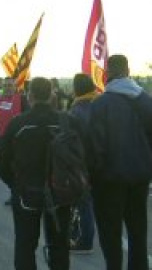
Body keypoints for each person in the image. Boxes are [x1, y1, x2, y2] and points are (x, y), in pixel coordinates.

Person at [0, 77, 83, 270]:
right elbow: (82, 158)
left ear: (30, 95)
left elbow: (0, 160)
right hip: (61, 192)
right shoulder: (68, 122)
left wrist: (14, 184)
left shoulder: (18, 123)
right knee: (59, 246)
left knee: (25, 246)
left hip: (26, 191)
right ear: (52, 94)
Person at [89, 54, 152, 270]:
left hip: (108, 180)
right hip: (140, 178)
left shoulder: (100, 104)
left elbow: (94, 146)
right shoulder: (146, 101)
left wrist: (91, 176)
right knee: (138, 232)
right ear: (128, 70)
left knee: (110, 234)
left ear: (108, 72)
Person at [68, 73, 99, 253]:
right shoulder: (100, 105)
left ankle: (85, 240)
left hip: (82, 164)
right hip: (101, 162)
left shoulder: (77, 111)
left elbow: (72, 142)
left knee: (83, 203)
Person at [0, 77, 29, 205]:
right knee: (2, 166)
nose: (8, 88)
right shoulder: (0, 98)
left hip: (18, 139)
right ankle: (14, 190)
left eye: (10, 85)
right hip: (2, 138)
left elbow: (28, 116)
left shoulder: (22, 99)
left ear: (15, 87)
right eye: (6, 85)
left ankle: (17, 194)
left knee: (17, 168)